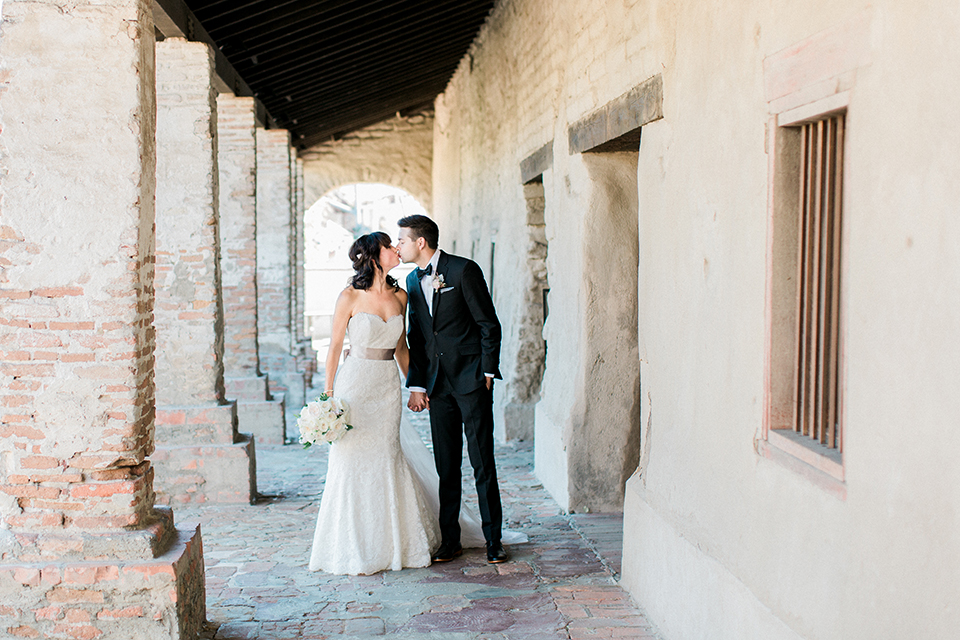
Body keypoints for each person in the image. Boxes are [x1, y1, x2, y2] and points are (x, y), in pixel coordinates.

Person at [308, 232, 439, 575]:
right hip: (354, 386)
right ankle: (351, 543)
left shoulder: (401, 294)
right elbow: (335, 347)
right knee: (350, 461)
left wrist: (417, 387)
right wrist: (328, 395)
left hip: (386, 386)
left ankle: (394, 542)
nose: (396, 249)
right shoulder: (349, 296)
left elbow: (402, 348)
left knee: (386, 455)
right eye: (389, 246)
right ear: (373, 255)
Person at [396, 215, 509, 564]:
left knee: (481, 463)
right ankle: (451, 540)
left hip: (472, 380)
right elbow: (417, 336)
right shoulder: (413, 282)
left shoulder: (463, 270)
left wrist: (488, 370)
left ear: (420, 242)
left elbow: (488, 323)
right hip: (437, 387)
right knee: (447, 467)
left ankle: (494, 540)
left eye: (401, 240)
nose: (397, 246)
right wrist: (417, 383)